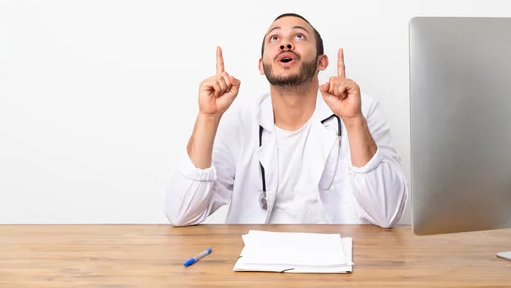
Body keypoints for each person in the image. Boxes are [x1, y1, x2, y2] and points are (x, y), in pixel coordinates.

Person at [165, 13, 408, 228]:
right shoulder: (239, 119)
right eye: (274, 38)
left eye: (299, 36)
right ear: (262, 65)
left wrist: (354, 121)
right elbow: (181, 212)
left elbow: (387, 213)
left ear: (322, 62)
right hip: (256, 269)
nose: (285, 43)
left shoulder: (362, 110)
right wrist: (208, 117)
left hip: (340, 266)